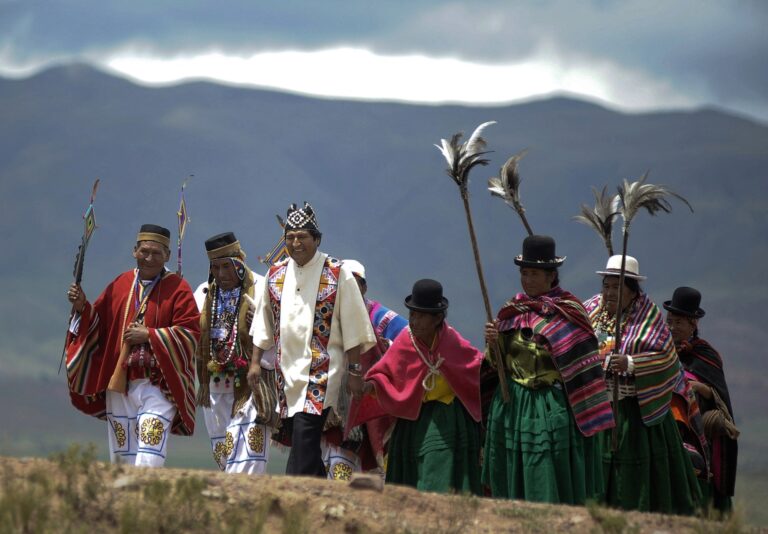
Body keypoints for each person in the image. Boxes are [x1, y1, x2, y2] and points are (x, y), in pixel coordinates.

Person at [483, 235, 614, 504]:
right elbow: (498, 365)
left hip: (550, 405)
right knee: (510, 468)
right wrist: (494, 343)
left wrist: (547, 348)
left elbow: (581, 363)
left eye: (533, 273)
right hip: (512, 404)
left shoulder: (569, 312)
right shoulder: (511, 311)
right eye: (523, 273)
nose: (526, 279)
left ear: (551, 276)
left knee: (544, 469)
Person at [249, 202, 376, 477]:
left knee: (305, 437)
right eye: (290, 237)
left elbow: (355, 325)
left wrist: (354, 371)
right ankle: (320, 492)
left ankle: (293, 496)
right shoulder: (276, 275)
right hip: (288, 374)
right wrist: (255, 363)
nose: (296, 243)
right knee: (303, 441)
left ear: (317, 239)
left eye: (303, 237)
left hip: (322, 372)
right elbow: (264, 321)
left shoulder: (337, 273)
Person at [65, 224, 200, 467]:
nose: (149, 258)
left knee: (150, 450)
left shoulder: (178, 288)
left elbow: (190, 334)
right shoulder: (121, 283)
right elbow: (99, 325)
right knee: (121, 457)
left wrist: (149, 335)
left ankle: (146, 500)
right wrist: (82, 307)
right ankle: (125, 504)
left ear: (167, 256)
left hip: (159, 385)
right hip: (120, 382)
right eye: (144, 251)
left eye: (157, 253)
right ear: (134, 250)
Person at [584, 255, 702, 514]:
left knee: (632, 472)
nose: (610, 292)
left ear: (632, 291)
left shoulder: (649, 317)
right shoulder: (591, 310)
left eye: (618, 287)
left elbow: (667, 359)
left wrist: (630, 363)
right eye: (607, 285)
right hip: (598, 409)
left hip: (633, 413)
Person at [360, 279, 484, 494]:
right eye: (412, 314)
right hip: (413, 418)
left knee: (440, 465)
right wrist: (372, 384)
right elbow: (384, 371)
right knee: (409, 474)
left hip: (448, 416)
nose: (414, 321)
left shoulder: (451, 340)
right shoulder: (407, 341)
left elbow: (476, 365)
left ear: (437, 318)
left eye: (420, 315)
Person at [196, 232, 277, 473]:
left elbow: (285, 332)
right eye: (216, 267)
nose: (221, 274)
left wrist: (263, 325)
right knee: (224, 452)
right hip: (215, 383)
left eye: (227, 267)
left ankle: (245, 501)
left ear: (240, 265)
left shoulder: (263, 288)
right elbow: (190, 334)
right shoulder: (203, 293)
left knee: (247, 449)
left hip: (253, 381)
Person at [321, 259, 408, 479]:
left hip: (371, 404)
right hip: (332, 405)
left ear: (364, 287)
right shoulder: (324, 316)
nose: (348, 289)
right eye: (341, 284)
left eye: (354, 283)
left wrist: (380, 349)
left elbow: (412, 346)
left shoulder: (382, 318)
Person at [664, 286, 738, 513]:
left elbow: (719, 396)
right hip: (668, 424)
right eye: (669, 321)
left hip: (699, 433)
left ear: (693, 324)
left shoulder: (706, 355)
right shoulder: (661, 351)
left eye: (679, 322)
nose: (672, 327)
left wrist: (699, 388)